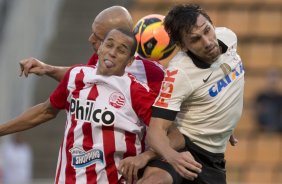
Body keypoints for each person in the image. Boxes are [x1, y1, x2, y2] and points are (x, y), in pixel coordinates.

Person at [0, 28, 172, 184]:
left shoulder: (136, 91)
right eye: (109, 45)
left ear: (129, 61)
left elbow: (175, 135)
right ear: (100, 48)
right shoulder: (76, 76)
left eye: (121, 50)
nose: (112, 53)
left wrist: (145, 157)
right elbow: (45, 111)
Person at [139, 4, 245, 184]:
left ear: (212, 24)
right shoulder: (180, 72)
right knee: (155, 181)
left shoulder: (228, 36)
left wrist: (225, 121)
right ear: (183, 46)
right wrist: (173, 157)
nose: (208, 41)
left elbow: (227, 80)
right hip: (184, 146)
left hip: (213, 159)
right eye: (195, 39)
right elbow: (155, 132)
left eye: (207, 30)